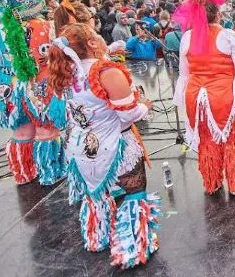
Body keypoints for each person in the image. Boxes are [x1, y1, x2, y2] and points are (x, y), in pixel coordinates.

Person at [47, 23, 159, 269]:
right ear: (91, 43)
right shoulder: (106, 72)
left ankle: (96, 236)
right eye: (96, 34)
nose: (100, 36)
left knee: (95, 194)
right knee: (133, 193)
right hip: (115, 146)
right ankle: (133, 248)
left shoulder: (64, 72)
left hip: (80, 148)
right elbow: (127, 114)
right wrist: (145, 106)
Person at [0, 0, 66, 186]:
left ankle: (23, 173)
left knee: (21, 131)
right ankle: (50, 173)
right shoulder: (47, 27)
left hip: (7, 84)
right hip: (39, 82)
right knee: (46, 129)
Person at [173, 0, 235, 195]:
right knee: (232, 142)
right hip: (223, 96)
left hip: (196, 98)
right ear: (217, 14)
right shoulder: (228, 36)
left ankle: (212, 182)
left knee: (207, 141)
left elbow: (184, 73)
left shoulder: (187, 38)